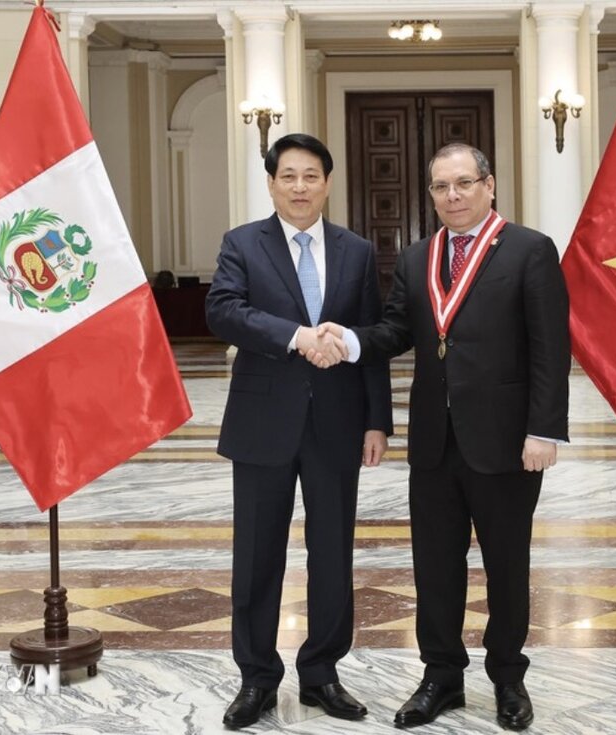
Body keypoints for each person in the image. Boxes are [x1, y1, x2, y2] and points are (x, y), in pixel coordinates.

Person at [310, 143, 570, 730]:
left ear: (490, 185)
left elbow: (551, 348)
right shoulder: (417, 256)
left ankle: (508, 678)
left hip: (506, 443)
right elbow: (398, 328)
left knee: (507, 565)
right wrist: (348, 342)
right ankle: (441, 677)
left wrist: (544, 429)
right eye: (440, 187)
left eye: (463, 184)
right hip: (433, 441)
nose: (451, 196)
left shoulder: (529, 250)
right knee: (434, 567)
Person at [205, 133, 393, 730]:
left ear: (328, 183)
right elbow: (222, 310)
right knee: (257, 555)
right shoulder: (243, 243)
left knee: (333, 554)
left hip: (338, 424)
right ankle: (257, 677)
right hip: (263, 423)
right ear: (271, 183)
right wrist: (296, 336)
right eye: (288, 176)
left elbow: (373, 340)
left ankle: (321, 673)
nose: (300, 187)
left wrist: (376, 420)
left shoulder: (357, 251)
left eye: (311, 176)